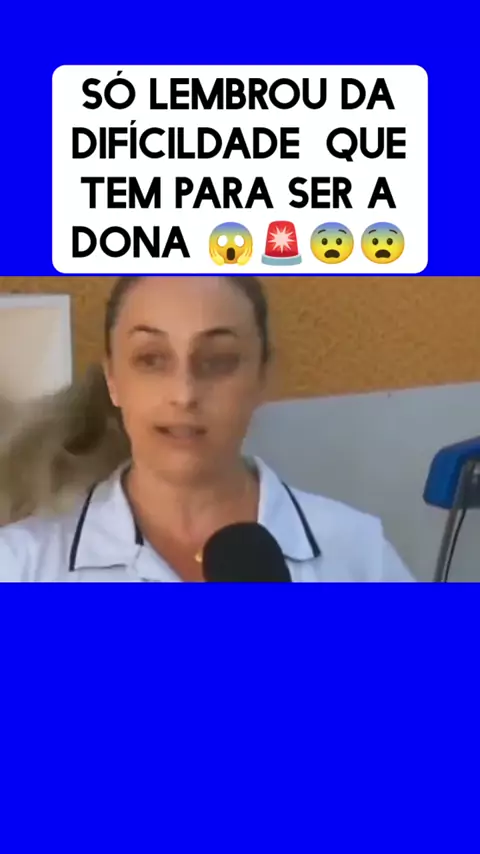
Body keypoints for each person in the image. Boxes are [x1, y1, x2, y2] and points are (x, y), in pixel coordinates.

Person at [0, 275, 414, 582]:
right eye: (151, 359)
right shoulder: (21, 566)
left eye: (218, 360)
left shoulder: (359, 554)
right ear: (113, 379)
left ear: (263, 375)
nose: (184, 394)